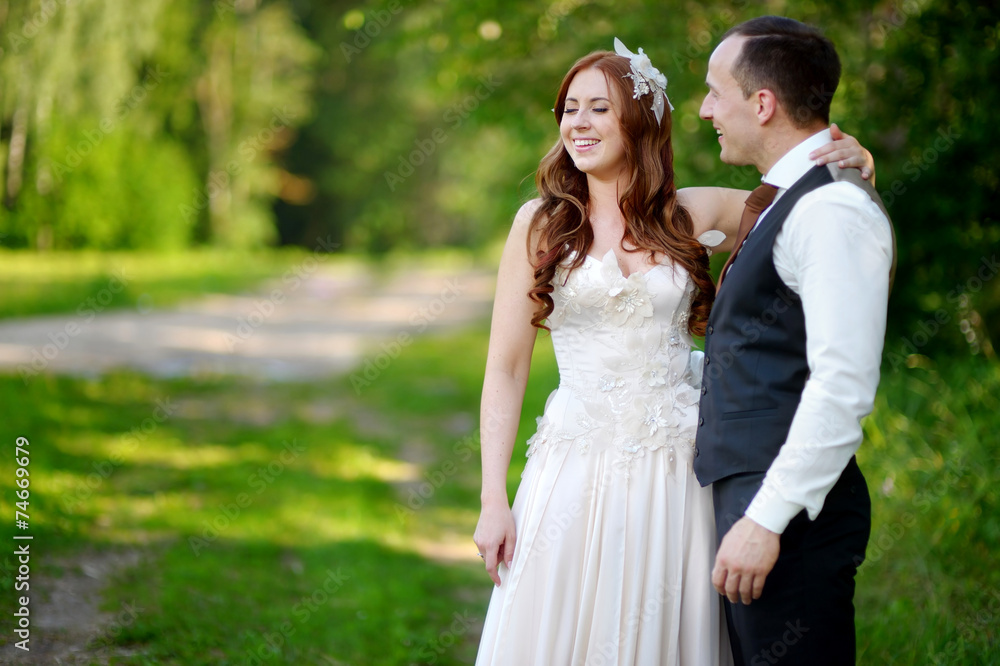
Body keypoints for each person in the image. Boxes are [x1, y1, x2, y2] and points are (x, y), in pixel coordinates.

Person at [473, 38, 875, 665]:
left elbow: (816, 213)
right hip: (572, 464)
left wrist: (850, 158)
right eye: (569, 108)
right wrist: (492, 499)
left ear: (640, 120)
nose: (578, 122)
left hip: (678, 470)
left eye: (598, 108)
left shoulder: (695, 212)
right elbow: (505, 367)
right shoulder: (540, 224)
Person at [693, 16, 894, 666]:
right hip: (758, 500)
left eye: (715, 91)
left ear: (762, 102)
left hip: (791, 517)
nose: (705, 110)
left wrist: (765, 519)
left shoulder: (832, 210)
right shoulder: (789, 200)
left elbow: (843, 384)